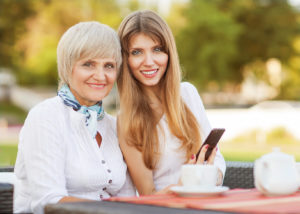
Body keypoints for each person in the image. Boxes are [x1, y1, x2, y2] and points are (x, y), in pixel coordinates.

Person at [14, 21, 135, 214]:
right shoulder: (46, 116)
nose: (100, 75)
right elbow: (48, 201)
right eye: (88, 64)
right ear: (67, 67)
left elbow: (128, 197)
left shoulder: (114, 125)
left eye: (109, 66)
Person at [117, 10, 226, 195]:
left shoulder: (188, 94)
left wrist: (209, 176)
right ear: (125, 59)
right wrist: (185, 186)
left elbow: (218, 159)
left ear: (169, 53)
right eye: (137, 52)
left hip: (205, 201)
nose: (149, 62)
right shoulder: (127, 120)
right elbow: (148, 196)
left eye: (157, 50)